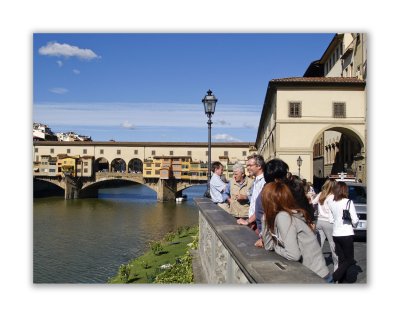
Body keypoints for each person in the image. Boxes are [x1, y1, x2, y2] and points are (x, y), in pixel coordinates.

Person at [260, 181, 331, 281]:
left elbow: (293, 255)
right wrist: (265, 218)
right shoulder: (281, 216)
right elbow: (268, 246)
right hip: (311, 275)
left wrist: (277, 248)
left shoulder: (284, 217)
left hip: (317, 278)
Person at [254, 158, 315, 248]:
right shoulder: (269, 196)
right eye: (284, 175)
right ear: (277, 180)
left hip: (290, 242)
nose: (287, 177)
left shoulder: (293, 190)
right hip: (289, 244)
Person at [327, 181, 359, 283]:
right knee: (349, 259)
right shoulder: (348, 202)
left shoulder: (331, 202)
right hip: (346, 233)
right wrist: (355, 222)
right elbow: (355, 220)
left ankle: (341, 281)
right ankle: (334, 277)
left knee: (341, 259)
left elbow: (331, 219)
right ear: (345, 190)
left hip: (336, 233)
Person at [312, 179, 338, 271]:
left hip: (320, 221)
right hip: (329, 222)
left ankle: (314, 264)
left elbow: (312, 202)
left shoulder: (320, 194)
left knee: (319, 244)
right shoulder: (333, 197)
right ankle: (336, 266)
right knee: (333, 244)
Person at [237, 154, 265, 233]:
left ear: (259, 166)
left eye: (250, 165)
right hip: (255, 222)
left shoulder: (264, 182)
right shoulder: (256, 180)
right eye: (247, 165)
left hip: (260, 224)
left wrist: (248, 221)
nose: (247, 168)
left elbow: (263, 207)